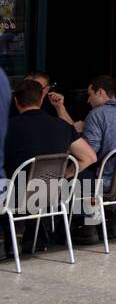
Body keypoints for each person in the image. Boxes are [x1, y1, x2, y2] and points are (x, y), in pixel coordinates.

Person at [3, 79, 97, 255]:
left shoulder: (8, 128)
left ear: (16, 102)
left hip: (17, 196)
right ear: (41, 100)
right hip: (54, 193)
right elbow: (90, 157)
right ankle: (32, 239)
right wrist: (65, 175)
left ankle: (13, 244)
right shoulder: (62, 126)